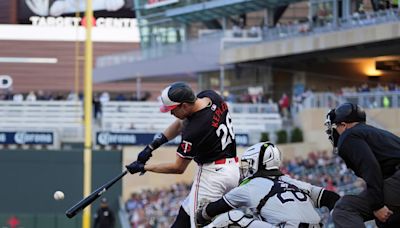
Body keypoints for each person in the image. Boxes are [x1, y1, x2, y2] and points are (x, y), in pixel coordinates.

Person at [125, 82, 240, 227]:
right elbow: (180, 123)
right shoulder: (211, 96)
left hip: (212, 176)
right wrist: (152, 146)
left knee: (199, 224)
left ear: (184, 105)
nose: (171, 113)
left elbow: (178, 168)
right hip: (232, 169)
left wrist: (145, 167)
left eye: (172, 110)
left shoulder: (194, 130)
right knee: (185, 216)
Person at [196, 142, 340, 228]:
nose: (245, 169)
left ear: (255, 163)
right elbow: (332, 197)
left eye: (247, 164)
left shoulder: (250, 187)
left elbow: (216, 208)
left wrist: (201, 215)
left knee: (232, 217)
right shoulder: (294, 182)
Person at [325, 102, 400, 227]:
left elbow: (370, 167)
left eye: (335, 126)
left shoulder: (348, 136)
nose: (334, 131)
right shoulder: (376, 133)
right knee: (386, 220)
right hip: (395, 182)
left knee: (344, 208)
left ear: (343, 125)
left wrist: (378, 205)